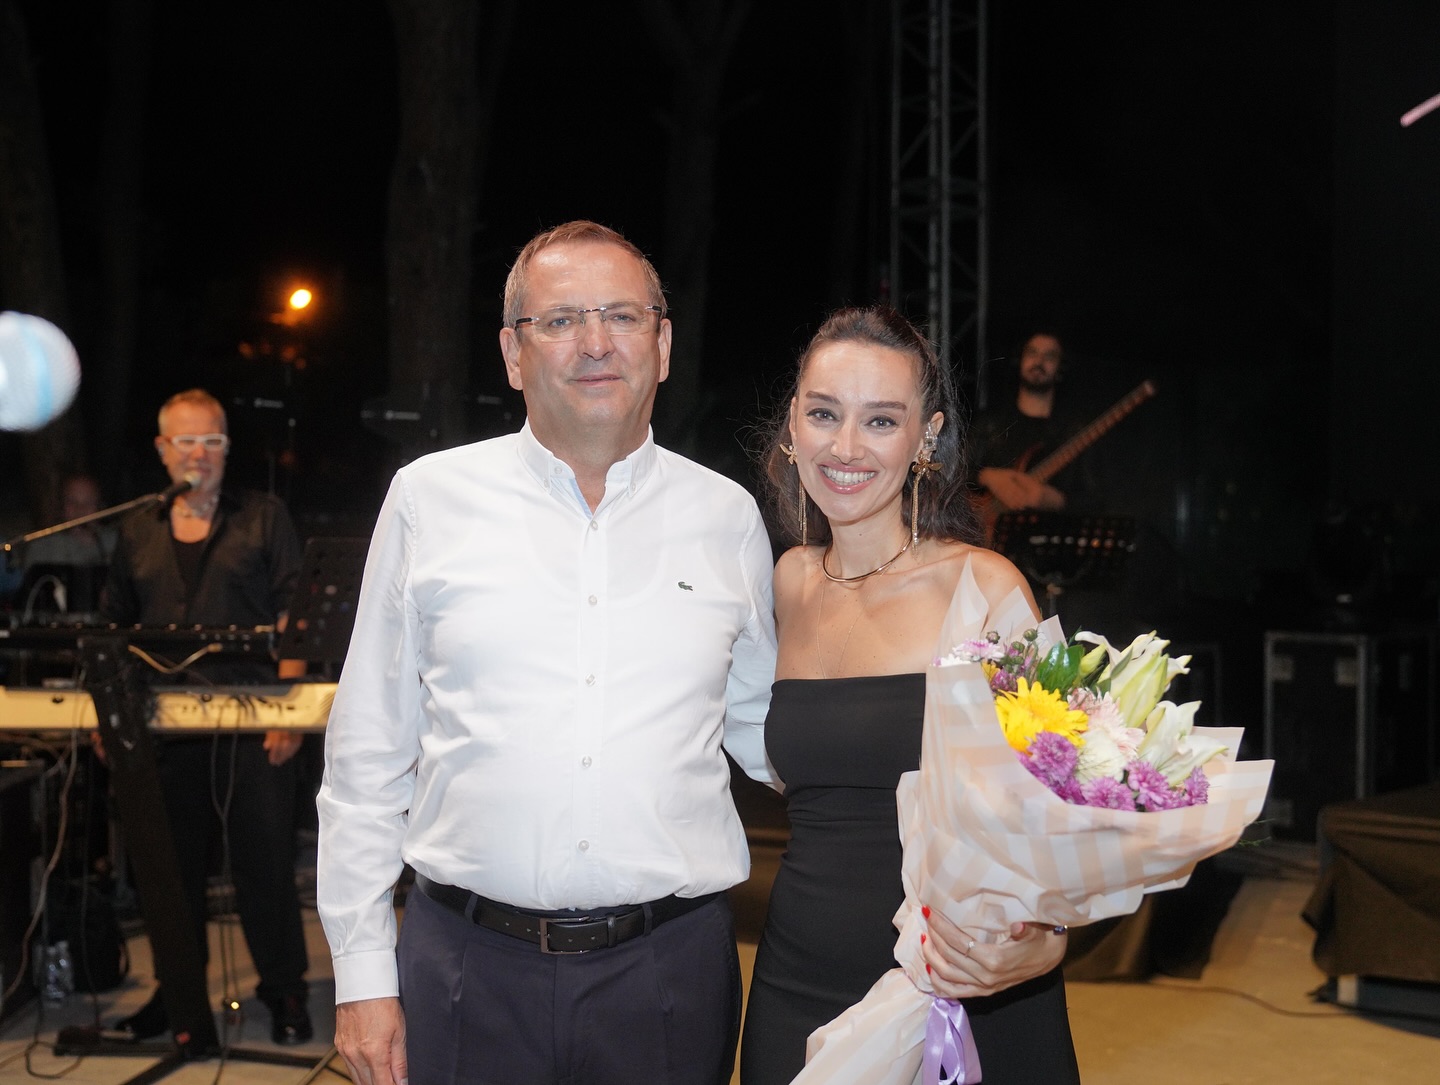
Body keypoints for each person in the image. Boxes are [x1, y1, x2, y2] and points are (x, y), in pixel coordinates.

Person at [316, 221, 777, 1085]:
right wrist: (362, 971)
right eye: (561, 320)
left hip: (670, 974)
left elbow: (771, 733)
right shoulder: (427, 501)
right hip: (466, 971)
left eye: (623, 316)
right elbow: (366, 755)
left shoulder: (728, 519)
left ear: (663, 344)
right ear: (512, 353)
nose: (596, 343)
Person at [740, 306, 1081, 1084]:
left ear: (926, 437)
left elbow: (1075, 801)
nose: (846, 447)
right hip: (797, 981)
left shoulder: (986, 586)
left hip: (960, 988)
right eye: (824, 413)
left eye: (881, 420)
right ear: (793, 422)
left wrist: (1046, 940)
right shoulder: (787, 581)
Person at [100, 388, 312, 1045]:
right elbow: (112, 628)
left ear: (226, 447)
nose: (200, 453)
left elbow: (295, 616)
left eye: (212, 441)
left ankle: (284, 990)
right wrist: (110, 721)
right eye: (186, 441)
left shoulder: (264, 516)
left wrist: (290, 712)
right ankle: (178, 995)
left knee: (265, 864)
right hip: (160, 728)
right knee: (170, 870)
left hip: (254, 723)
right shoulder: (137, 527)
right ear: (163, 451)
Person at [970, 330, 1097, 517]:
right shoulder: (989, 423)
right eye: (1032, 353)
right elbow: (952, 472)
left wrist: (1057, 501)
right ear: (1020, 360)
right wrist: (988, 476)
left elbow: (1095, 499)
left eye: (1049, 356)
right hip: (987, 530)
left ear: (1060, 367)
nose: (1039, 362)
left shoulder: (1074, 432)